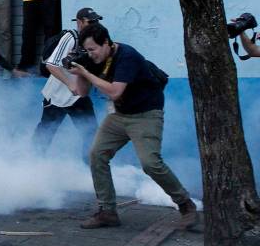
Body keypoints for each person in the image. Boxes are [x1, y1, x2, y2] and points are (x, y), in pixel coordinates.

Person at [68, 23, 198, 229]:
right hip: (120, 115)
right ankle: (107, 211)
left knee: (150, 163)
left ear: (106, 44)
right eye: (87, 50)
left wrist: (87, 72)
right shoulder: (93, 59)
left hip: (146, 115)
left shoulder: (127, 56)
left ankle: (186, 204)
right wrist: (80, 71)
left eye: (93, 49)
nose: (90, 54)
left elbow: (114, 92)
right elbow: (82, 92)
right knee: (96, 154)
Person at [32, 7, 102, 158]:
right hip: (57, 97)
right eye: (91, 21)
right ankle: (32, 165)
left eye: (96, 21)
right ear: (79, 22)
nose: (94, 25)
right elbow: (51, 65)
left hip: (79, 97)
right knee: (45, 134)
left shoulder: (97, 39)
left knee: (91, 134)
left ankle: (90, 169)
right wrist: (70, 84)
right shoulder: (71, 37)